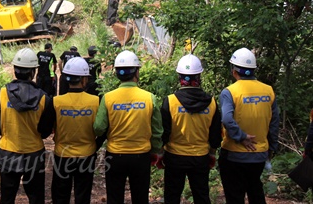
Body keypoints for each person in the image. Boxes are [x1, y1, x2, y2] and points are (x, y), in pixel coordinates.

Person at [93, 50, 163, 204]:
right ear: (136, 72)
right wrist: (156, 150)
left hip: (115, 156)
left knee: (114, 197)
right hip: (141, 156)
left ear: (117, 73)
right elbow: (157, 131)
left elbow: (98, 128)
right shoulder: (149, 98)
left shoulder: (108, 98)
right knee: (140, 197)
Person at [0, 47, 55, 204]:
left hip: (8, 152)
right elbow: (46, 131)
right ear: (33, 72)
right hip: (34, 153)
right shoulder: (44, 98)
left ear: (14, 69)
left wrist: (6, 131)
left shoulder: (2, 93)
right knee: (36, 197)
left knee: (7, 196)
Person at [219, 47, 279, 204]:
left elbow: (226, 119)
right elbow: (274, 124)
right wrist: (270, 148)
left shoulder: (229, 92)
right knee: (255, 191)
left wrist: (242, 137)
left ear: (234, 71)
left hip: (233, 154)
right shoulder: (268, 91)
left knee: (234, 195)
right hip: (259, 154)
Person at [160, 54, 222, 204]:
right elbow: (215, 135)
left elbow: (164, 133)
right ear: (198, 77)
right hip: (200, 157)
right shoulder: (211, 102)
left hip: (174, 157)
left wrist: (160, 153)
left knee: (172, 197)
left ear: (180, 77)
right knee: (201, 196)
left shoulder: (170, 101)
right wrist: (212, 154)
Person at [52, 57, 100, 204]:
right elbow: (100, 128)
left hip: (62, 154)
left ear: (67, 78)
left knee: (60, 195)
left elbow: (50, 128)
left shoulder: (56, 102)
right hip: (87, 154)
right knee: (83, 194)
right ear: (84, 79)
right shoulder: (95, 101)